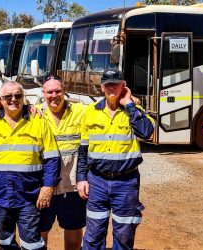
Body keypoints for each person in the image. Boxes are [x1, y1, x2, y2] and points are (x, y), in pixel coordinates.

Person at [76, 68, 154, 249]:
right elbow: (83, 150)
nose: (112, 88)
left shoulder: (134, 110)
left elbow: (147, 132)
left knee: (124, 235)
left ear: (123, 86)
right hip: (97, 181)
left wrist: (129, 105)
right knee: (93, 234)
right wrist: (81, 178)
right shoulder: (90, 112)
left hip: (126, 183)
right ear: (102, 87)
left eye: (116, 84)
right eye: (108, 84)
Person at [0, 81, 61, 250]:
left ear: (24, 98)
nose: (13, 99)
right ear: (1, 100)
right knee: (4, 242)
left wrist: (48, 187)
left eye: (18, 95)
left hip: (29, 195)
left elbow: (52, 158)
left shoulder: (38, 121)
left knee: (32, 243)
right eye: (8, 97)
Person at [38, 75, 86, 250]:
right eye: (49, 92)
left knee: (73, 241)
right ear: (43, 93)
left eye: (58, 91)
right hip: (43, 187)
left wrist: (127, 100)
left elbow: (103, 108)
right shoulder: (34, 113)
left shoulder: (81, 111)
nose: (54, 95)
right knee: (39, 237)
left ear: (64, 91)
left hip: (72, 187)